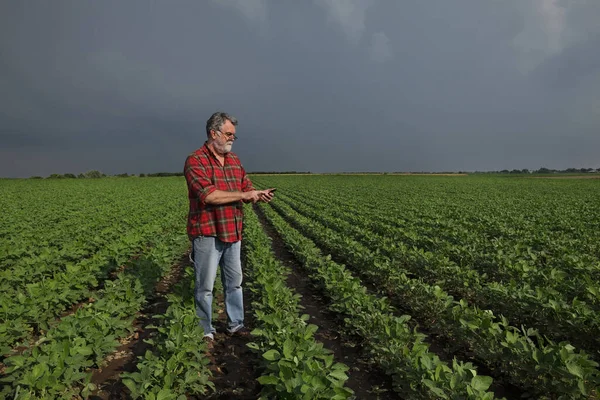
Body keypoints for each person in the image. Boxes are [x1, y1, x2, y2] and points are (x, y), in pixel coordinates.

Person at [184, 111, 274, 341]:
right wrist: (244, 194)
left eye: (234, 135)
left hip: (233, 231)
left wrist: (257, 194)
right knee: (205, 286)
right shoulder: (196, 160)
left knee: (235, 283)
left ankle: (236, 324)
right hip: (207, 232)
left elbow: (246, 185)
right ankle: (205, 330)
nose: (232, 138)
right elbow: (208, 196)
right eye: (228, 134)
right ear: (213, 133)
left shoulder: (234, 160)